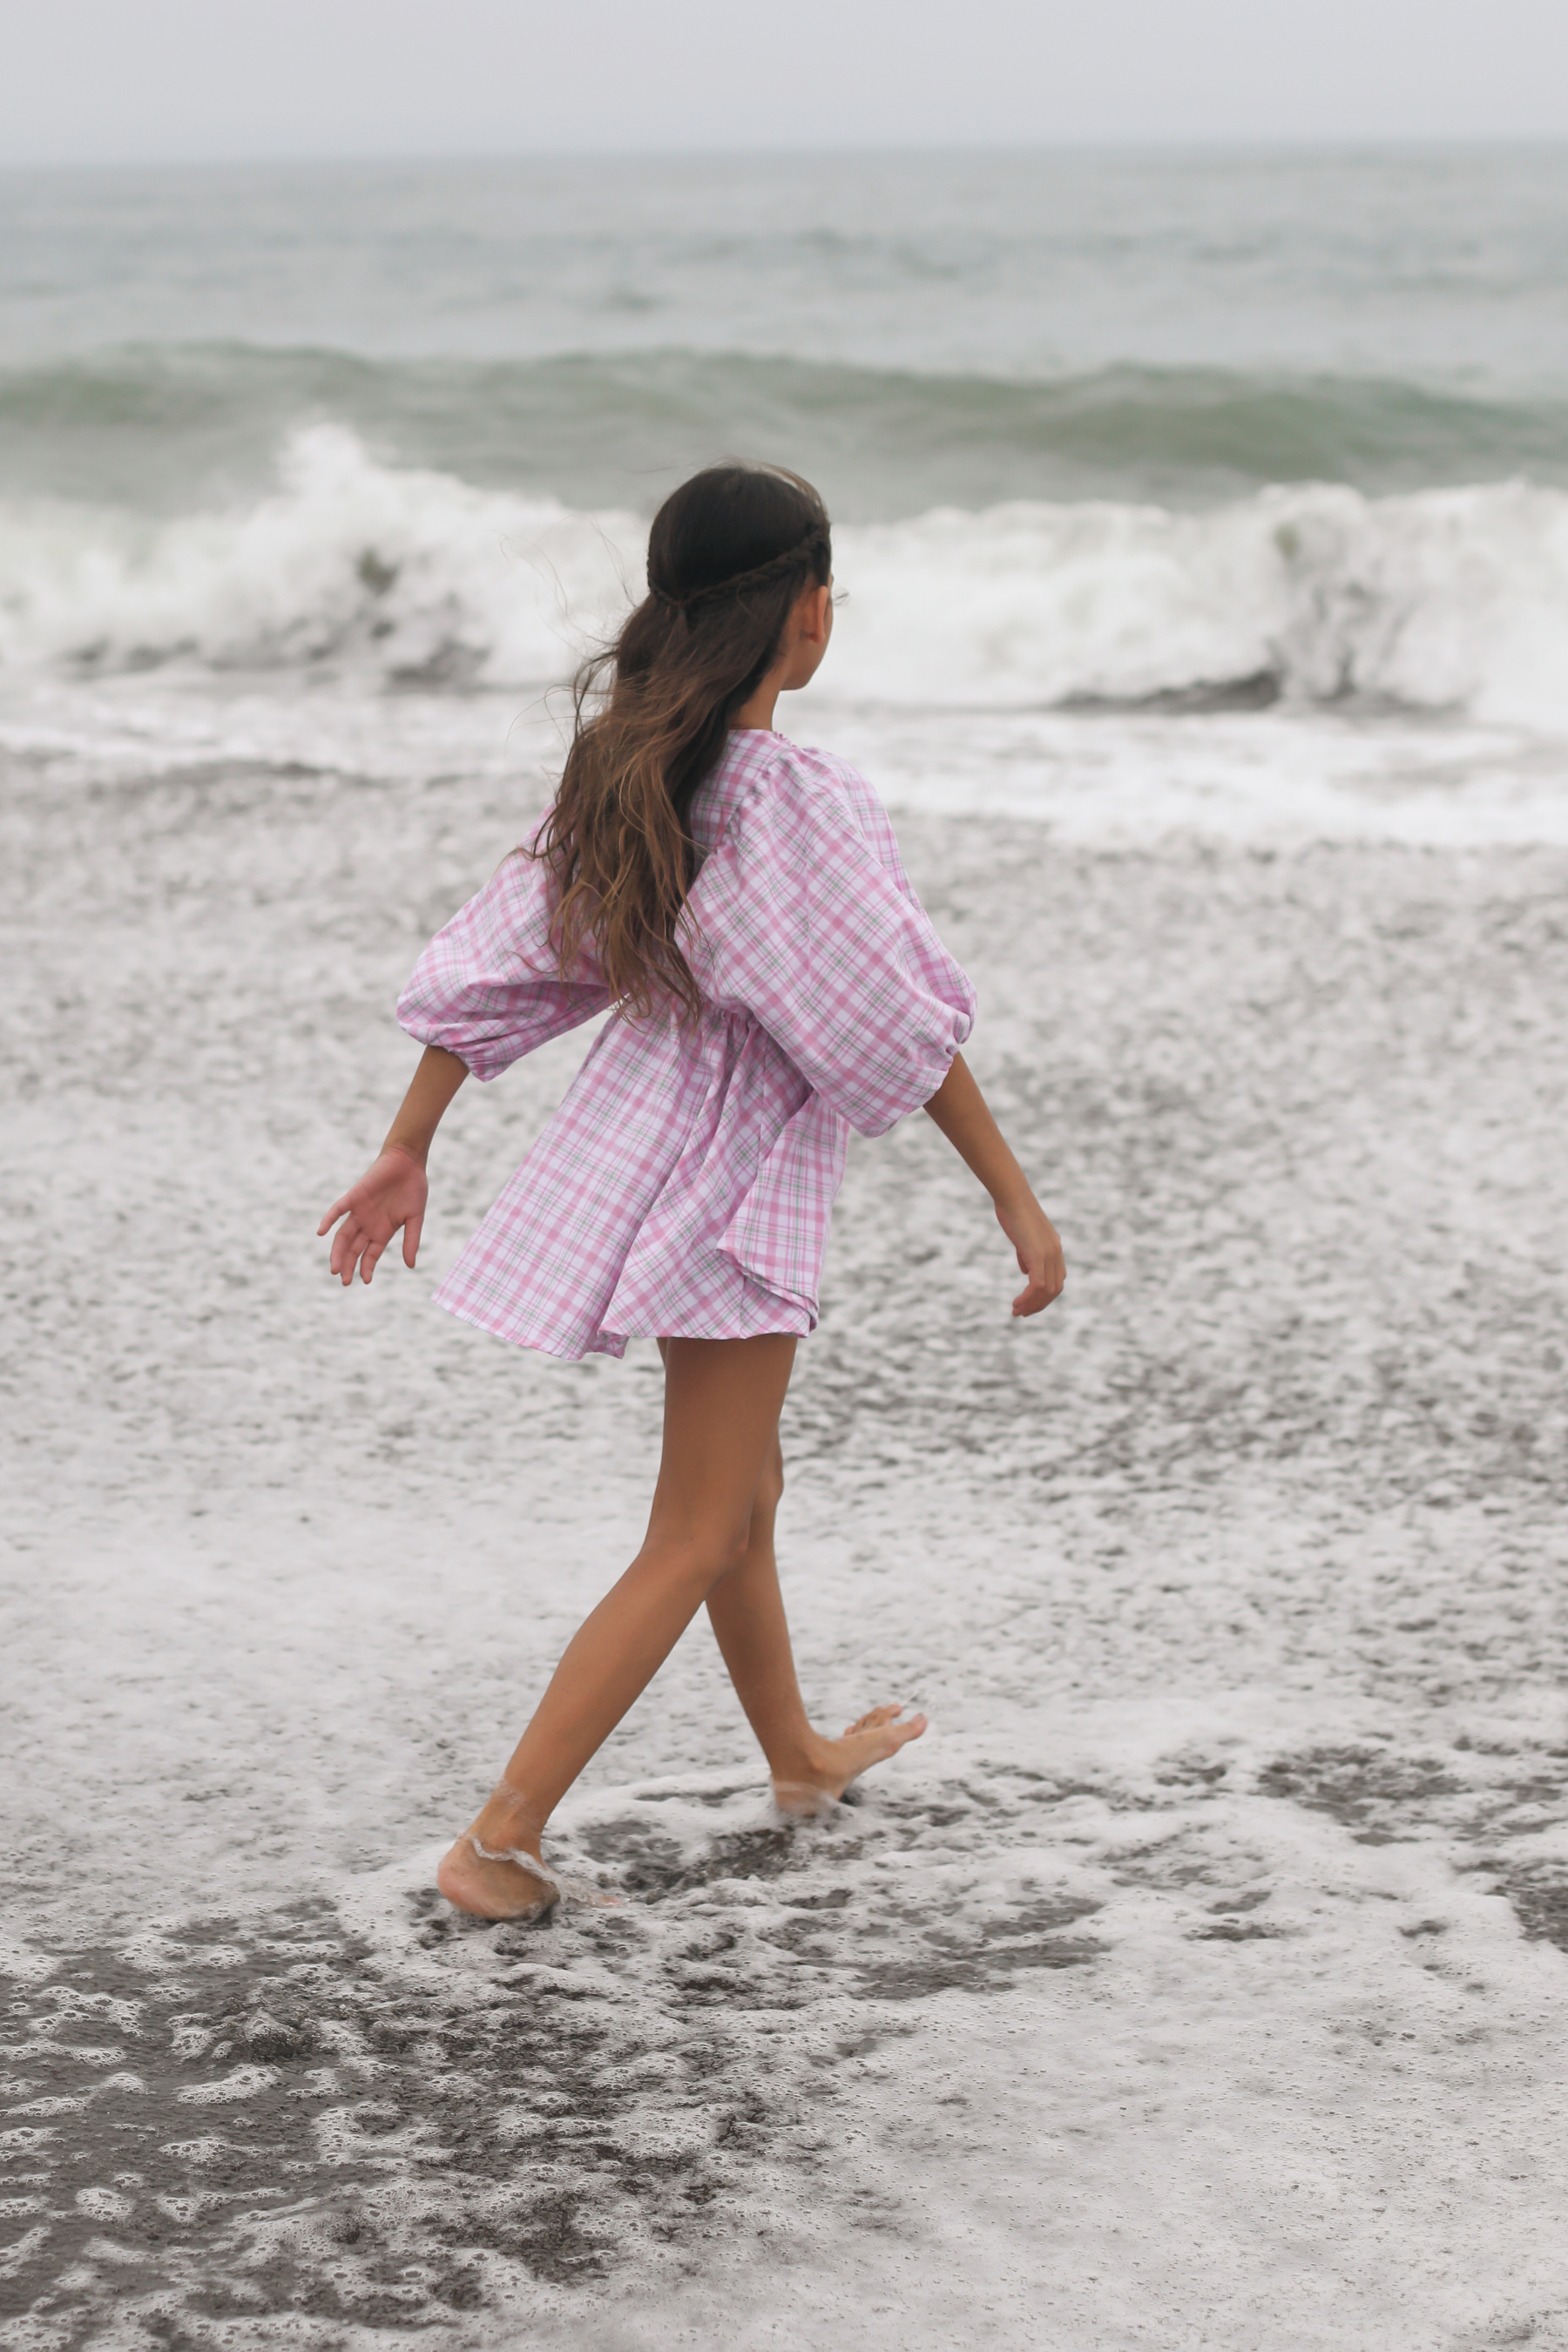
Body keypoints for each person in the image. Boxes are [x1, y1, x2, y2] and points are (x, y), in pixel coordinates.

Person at [318, 463, 1064, 1923]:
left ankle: (796, 1756)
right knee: (700, 1523)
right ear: (803, 613)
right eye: (828, 588)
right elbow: (891, 1020)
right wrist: (1012, 1197)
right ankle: (498, 1842)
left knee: (742, 1493)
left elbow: (510, 957)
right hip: (735, 1182)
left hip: (649, 1152)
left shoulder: (638, 772)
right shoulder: (793, 799)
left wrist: (412, 1141)